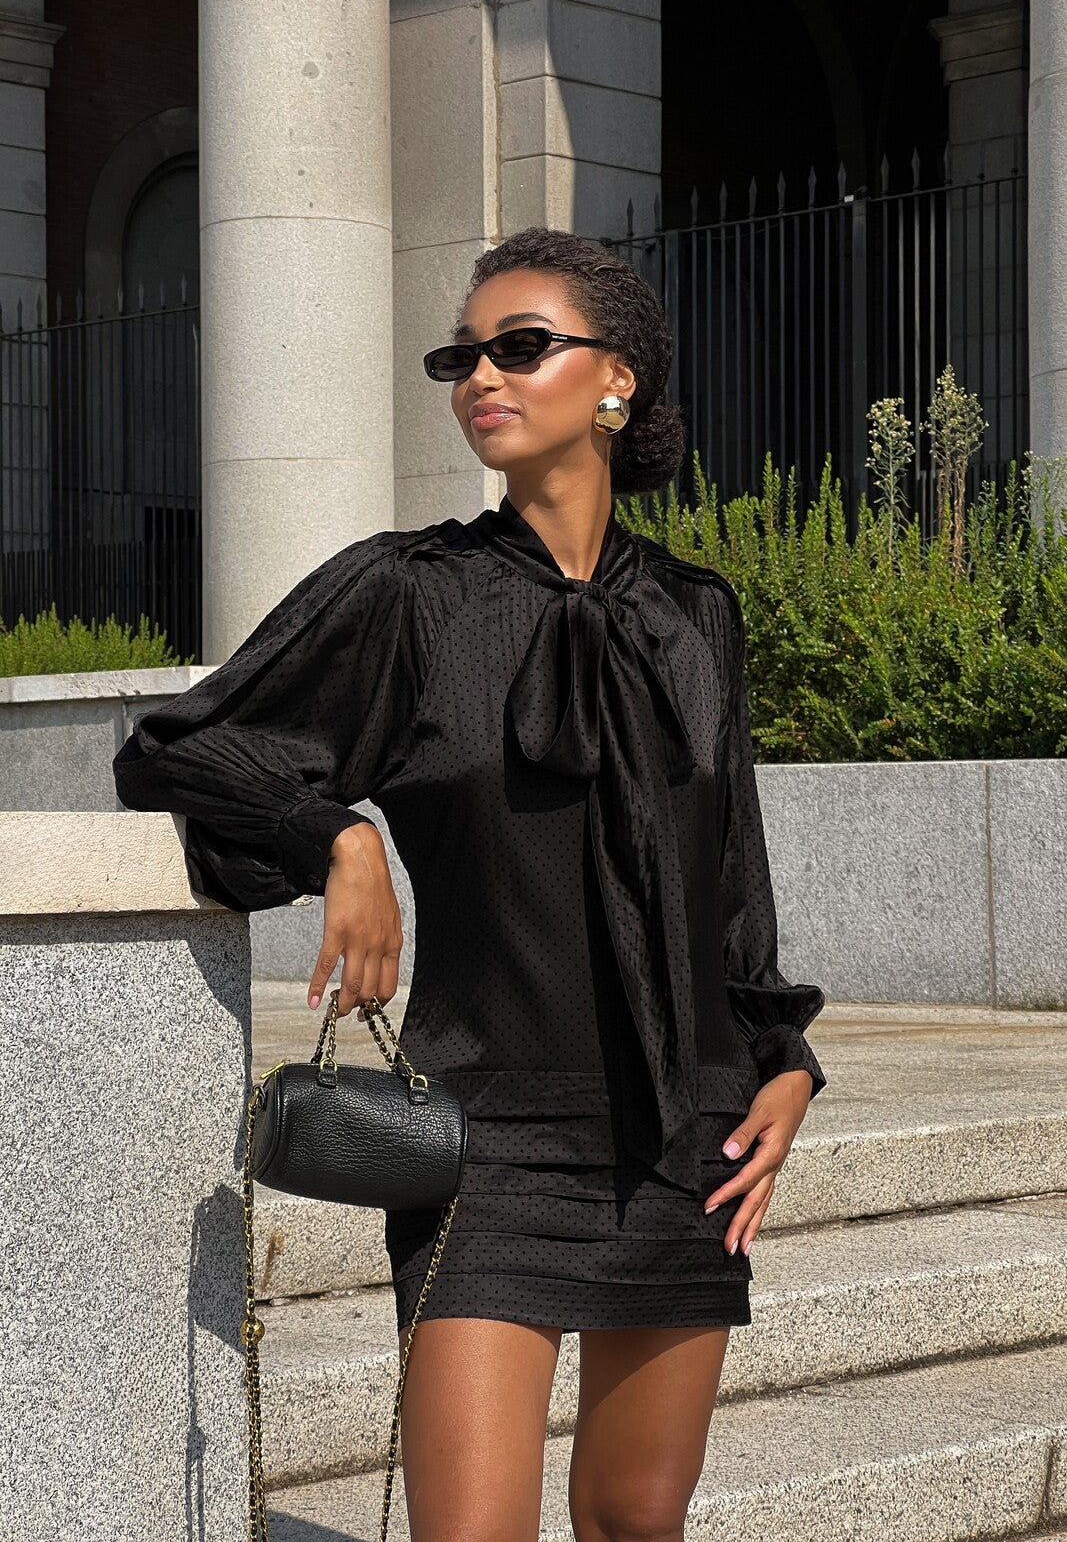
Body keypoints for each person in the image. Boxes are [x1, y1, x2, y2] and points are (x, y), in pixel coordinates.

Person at [113, 225, 828, 1542]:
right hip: (486, 1137)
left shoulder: (698, 616)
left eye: (520, 346)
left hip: (686, 1136)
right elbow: (184, 752)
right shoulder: (408, 595)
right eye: (465, 355)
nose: (479, 377)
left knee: (634, 1520)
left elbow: (729, 879)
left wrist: (784, 1061)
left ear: (618, 380)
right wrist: (341, 835)